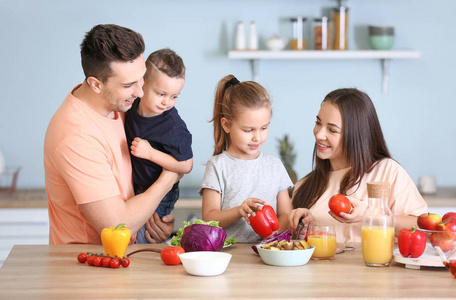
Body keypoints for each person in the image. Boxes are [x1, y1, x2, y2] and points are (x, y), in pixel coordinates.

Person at [44, 24, 179, 245]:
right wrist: (170, 175)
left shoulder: (120, 106)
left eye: (142, 77)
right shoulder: (76, 136)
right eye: (128, 85)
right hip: (84, 268)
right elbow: (118, 226)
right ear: (96, 84)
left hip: (123, 256)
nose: (140, 92)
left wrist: (151, 223)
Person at [289, 88, 428, 244]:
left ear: (356, 135)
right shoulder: (304, 186)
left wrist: (370, 216)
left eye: (332, 130)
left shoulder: (387, 171)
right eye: (318, 123)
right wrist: (300, 224)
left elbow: (423, 228)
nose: (319, 134)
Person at [200, 75, 293, 243]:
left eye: (264, 128)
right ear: (226, 125)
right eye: (248, 130)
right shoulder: (218, 166)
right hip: (230, 257)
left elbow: (285, 214)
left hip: (269, 254)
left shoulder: (275, 165)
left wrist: (275, 232)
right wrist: (239, 211)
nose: (257, 137)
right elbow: (209, 218)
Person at [125, 49, 193, 244]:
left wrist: (150, 153)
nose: (166, 102)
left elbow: (186, 165)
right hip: (139, 187)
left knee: (141, 238)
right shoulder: (132, 105)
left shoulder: (172, 126)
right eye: (161, 94)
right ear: (142, 84)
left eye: (174, 96)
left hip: (161, 193)